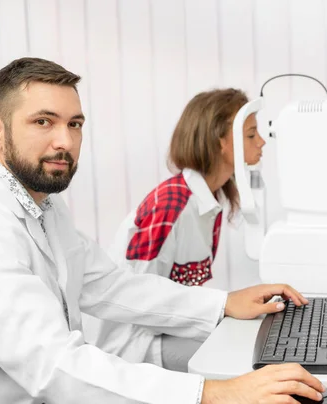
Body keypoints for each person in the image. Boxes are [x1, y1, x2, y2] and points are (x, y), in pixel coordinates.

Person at [0, 57, 325, 403]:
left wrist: (222, 304)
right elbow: (53, 366)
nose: (64, 141)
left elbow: (107, 285)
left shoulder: (41, 205)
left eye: (75, 124)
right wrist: (212, 393)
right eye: (43, 122)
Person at [84, 88, 269, 371]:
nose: (262, 141)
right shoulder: (171, 206)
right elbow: (137, 298)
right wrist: (223, 306)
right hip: (134, 343)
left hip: (165, 330)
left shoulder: (211, 199)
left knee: (254, 340)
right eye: (251, 134)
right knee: (248, 362)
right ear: (221, 142)